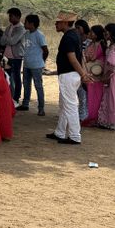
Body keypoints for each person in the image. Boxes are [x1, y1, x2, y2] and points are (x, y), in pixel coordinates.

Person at [46, 11, 91, 145]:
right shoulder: (74, 35)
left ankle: (75, 136)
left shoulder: (69, 37)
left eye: (58, 22)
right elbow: (80, 56)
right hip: (71, 74)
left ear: (65, 23)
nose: (56, 24)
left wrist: (83, 74)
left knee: (70, 105)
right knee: (65, 105)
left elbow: (72, 58)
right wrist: (83, 73)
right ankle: (60, 132)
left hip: (68, 75)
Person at [18, 14, 48, 116]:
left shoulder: (39, 35)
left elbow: (45, 50)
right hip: (26, 64)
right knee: (26, 85)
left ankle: (41, 108)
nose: (24, 24)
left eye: (26, 22)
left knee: (38, 86)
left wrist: (41, 61)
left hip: (36, 65)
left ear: (32, 24)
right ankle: (25, 104)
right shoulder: (26, 34)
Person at [81, 25, 107, 127]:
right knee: (92, 97)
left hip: (95, 75)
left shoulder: (98, 44)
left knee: (94, 97)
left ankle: (93, 118)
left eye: (92, 32)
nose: (90, 34)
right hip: (93, 73)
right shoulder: (93, 44)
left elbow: (91, 57)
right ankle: (92, 117)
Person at [0, 7, 25, 104]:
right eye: (9, 16)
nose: (9, 18)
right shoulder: (9, 27)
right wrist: (8, 39)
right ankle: (9, 96)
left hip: (16, 57)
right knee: (7, 77)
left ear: (18, 17)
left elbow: (12, 41)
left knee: (16, 77)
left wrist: (7, 38)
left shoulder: (21, 29)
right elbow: (2, 41)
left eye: (11, 16)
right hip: (7, 56)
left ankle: (16, 98)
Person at [0, 54, 15, 141]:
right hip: (5, 97)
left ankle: (1, 134)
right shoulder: (1, 71)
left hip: (1, 97)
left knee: (1, 116)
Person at [75, 19, 91, 121]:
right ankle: (81, 113)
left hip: (88, 70)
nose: (76, 30)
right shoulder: (76, 40)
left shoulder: (89, 42)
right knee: (80, 93)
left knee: (85, 93)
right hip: (78, 69)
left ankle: (84, 115)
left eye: (78, 28)